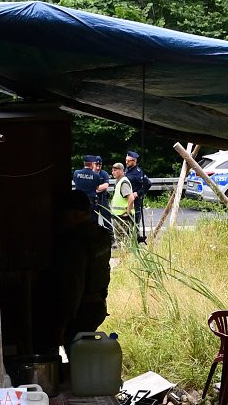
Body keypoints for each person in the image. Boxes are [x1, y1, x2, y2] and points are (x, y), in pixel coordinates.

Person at [43, 188, 112, 352]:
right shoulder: (100, 236)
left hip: (80, 311)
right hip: (97, 305)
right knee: (85, 355)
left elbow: (74, 285)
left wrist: (61, 324)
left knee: (77, 357)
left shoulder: (75, 243)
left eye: (63, 214)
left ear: (73, 214)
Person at [123, 150, 151, 243]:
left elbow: (148, 184)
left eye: (129, 161)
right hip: (126, 201)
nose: (126, 162)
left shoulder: (138, 172)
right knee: (126, 221)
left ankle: (135, 242)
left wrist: (138, 193)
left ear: (134, 161)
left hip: (135, 201)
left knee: (134, 223)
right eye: (126, 160)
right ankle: (128, 241)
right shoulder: (127, 169)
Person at [107, 161, 136, 245]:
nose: (113, 172)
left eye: (115, 170)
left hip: (123, 217)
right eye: (112, 170)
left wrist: (127, 212)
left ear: (122, 171)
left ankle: (124, 257)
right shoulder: (119, 182)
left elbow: (131, 198)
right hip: (119, 216)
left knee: (123, 242)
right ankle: (123, 256)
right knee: (121, 240)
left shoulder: (123, 182)